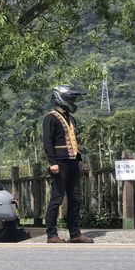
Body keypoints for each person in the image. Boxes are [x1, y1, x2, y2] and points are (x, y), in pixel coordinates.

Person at [42, 85, 94, 244]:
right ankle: (51, 234)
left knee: (75, 198)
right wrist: (52, 162)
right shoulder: (50, 118)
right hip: (60, 163)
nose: (72, 101)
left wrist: (79, 160)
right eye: (70, 98)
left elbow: (74, 142)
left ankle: (75, 233)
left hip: (72, 163)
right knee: (57, 199)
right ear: (61, 98)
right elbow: (47, 142)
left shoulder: (71, 118)